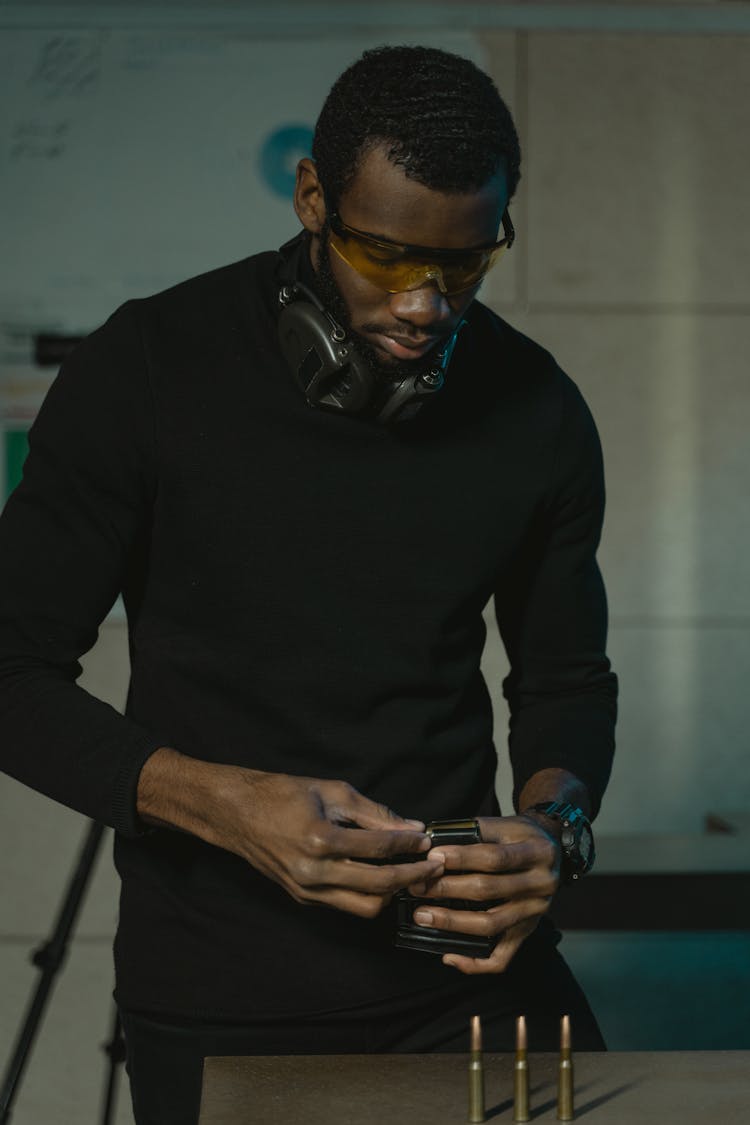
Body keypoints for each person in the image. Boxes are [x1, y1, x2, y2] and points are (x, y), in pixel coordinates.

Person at [0, 45, 617, 1124]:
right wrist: (221, 801)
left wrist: (552, 831)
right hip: (220, 990)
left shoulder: (539, 407)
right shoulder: (147, 365)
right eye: (386, 259)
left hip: (465, 974)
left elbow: (564, 677)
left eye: (465, 266)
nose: (426, 306)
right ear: (313, 199)